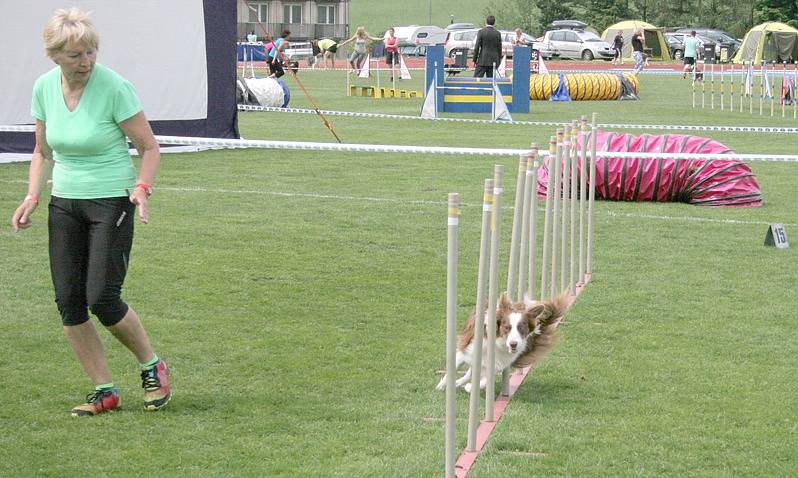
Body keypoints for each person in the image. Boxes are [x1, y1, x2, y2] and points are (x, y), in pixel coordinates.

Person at [10, 7, 170, 416]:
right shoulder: (44, 88)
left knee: (102, 297)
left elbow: (149, 147)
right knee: (69, 302)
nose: (86, 62)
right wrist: (31, 196)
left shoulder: (115, 87)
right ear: (54, 55)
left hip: (111, 201)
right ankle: (104, 390)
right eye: (75, 55)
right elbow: (42, 152)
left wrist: (142, 187)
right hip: (65, 203)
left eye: (91, 52)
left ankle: (152, 367)